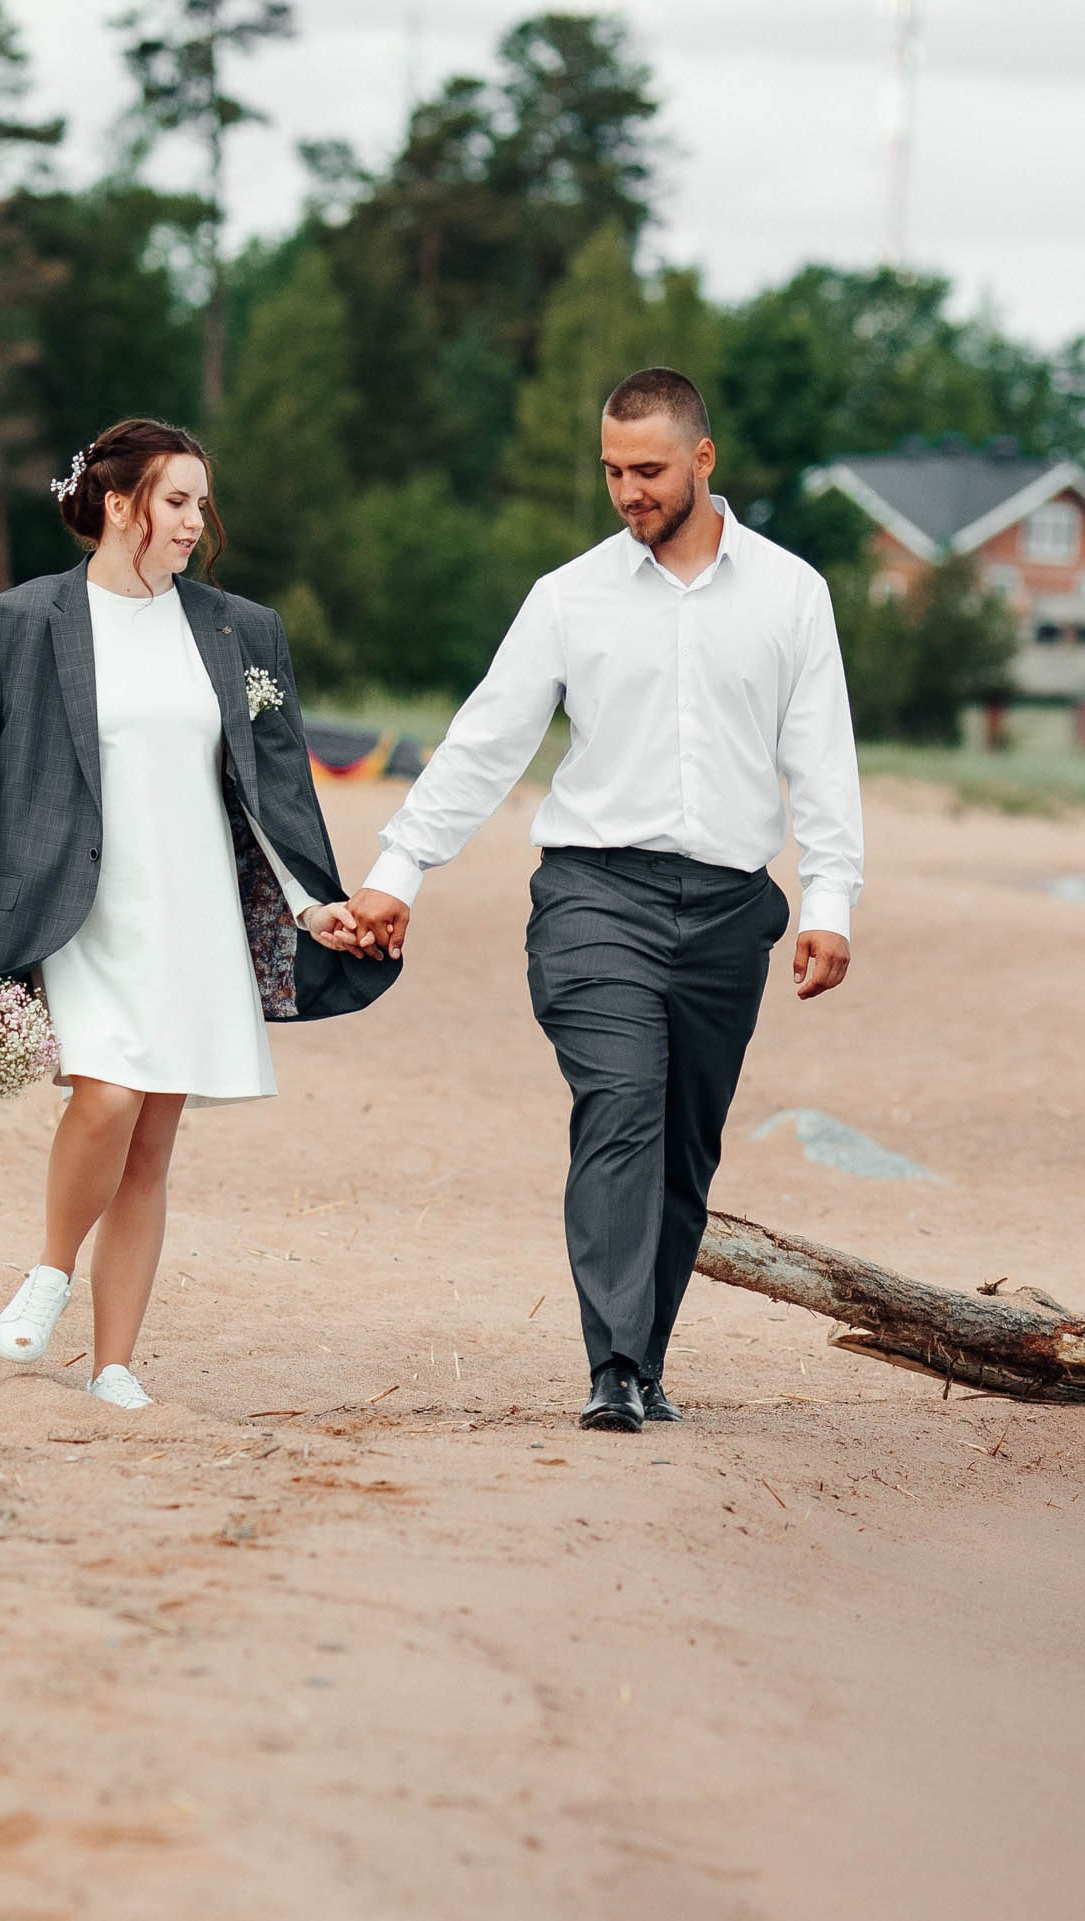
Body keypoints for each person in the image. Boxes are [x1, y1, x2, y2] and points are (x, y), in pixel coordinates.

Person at [326, 367, 861, 1434]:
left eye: (647, 470)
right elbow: (486, 741)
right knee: (619, 1104)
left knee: (684, 1145)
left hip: (729, 908)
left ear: (702, 459)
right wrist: (397, 871)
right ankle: (611, 1367)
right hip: (593, 896)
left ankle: (645, 1362)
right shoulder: (567, 596)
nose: (627, 491)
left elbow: (820, 754)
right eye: (611, 470)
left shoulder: (791, 592)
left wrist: (830, 898)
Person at [0, 415, 398, 1410]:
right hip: (78, 914)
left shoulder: (241, 631)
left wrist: (314, 906)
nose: (193, 522)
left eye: (200, 504)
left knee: (149, 1148)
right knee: (106, 1098)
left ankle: (114, 1365)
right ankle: (51, 1268)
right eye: (176, 501)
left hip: (195, 914)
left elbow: (275, 793)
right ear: (118, 502)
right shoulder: (12, 623)